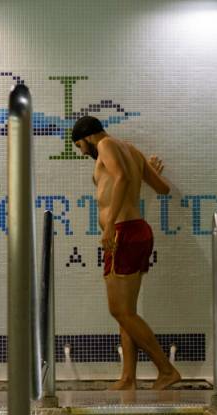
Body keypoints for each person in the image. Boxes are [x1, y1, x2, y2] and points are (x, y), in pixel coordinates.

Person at [71, 115, 182, 391]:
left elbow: (119, 177)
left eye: (79, 146)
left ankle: (166, 370)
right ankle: (128, 377)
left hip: (124, 232)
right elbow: (163, 188)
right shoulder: (132, 151)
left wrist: (109, 227)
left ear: (86, 137)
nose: (82, 152)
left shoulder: (106, 144)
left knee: (119, 310)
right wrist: (146, 172)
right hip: (137, 230)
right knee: (126, 312)